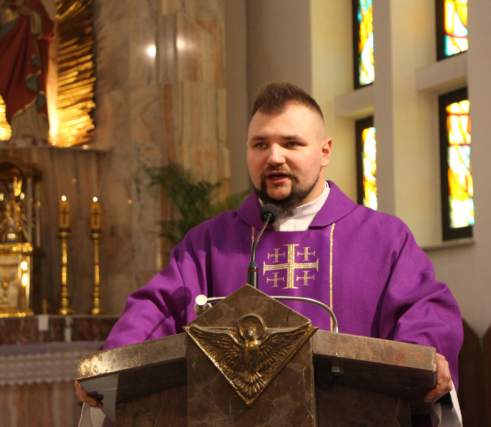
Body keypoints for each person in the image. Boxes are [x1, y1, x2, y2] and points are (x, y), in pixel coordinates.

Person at [75, 82, 464, 426]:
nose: (274, 157)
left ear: (325, 151)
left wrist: (425, 358)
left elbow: (425, 309)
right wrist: (111, 367)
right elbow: (156, 309)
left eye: (291, 143)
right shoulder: (209, 243)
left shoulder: (383, 238)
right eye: (260, 144)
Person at [0, 0, 53, 142]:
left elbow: (49, 28)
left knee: (27, 87)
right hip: (6, 52)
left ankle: (33, 131)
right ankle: (17, 129)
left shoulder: (31, 1)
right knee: (10, 89)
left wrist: (32, 15)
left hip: (27, 54)